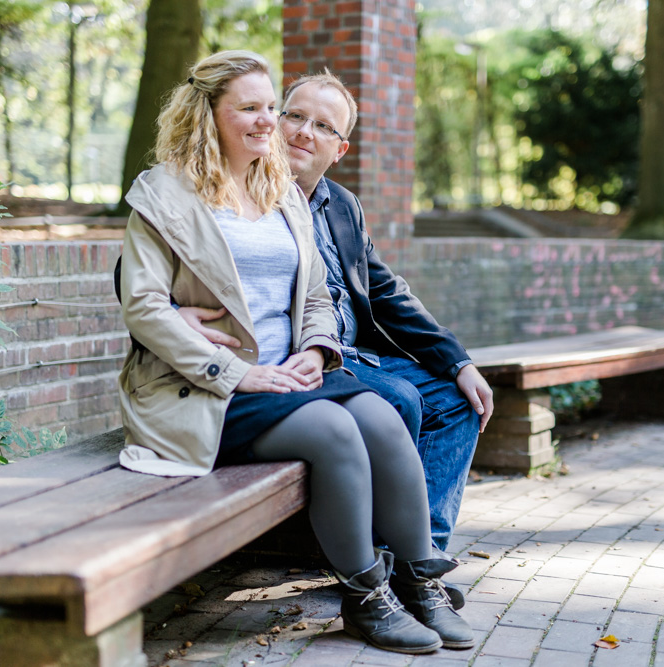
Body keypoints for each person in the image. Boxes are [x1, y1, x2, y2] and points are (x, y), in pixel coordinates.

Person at [116, 50, 472, 654]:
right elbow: (143, 303)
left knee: (383, 414)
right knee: (335, 428)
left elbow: (313, 296)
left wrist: (317, 347)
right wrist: (238, 373)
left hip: (291, 378)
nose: (266, 121)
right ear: (208, 114)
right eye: (249, 108)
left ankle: (419, 578)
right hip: (207, 391)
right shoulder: (165, 194)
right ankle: (364, 597)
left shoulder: (279, 190)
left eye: (269, 107)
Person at [178, 70, 495, 553]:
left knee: (456, 401)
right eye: (295, 116)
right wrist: (171, 310)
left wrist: (457, 360)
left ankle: (420, 552)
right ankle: (367, 548)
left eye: (324, 126)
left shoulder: (342, 205)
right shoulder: (234, 187)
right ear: (274, 120)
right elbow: (144, 264)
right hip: (299, 357)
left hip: (355, 351)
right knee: (400, 399)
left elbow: (387, 292)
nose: (305, 132)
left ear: (340, 149)